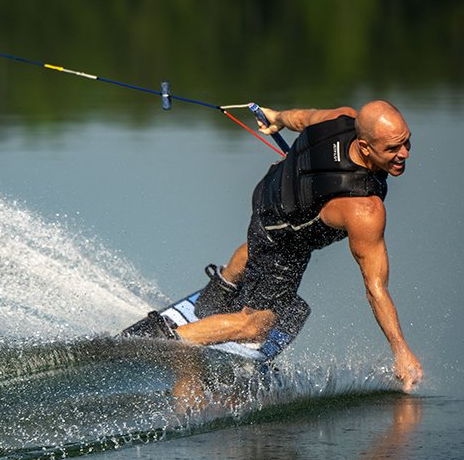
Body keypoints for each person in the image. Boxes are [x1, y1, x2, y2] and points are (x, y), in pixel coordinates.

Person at [127, 100, 423, 392]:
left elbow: (304, 116)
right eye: (392, 149)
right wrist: (400, 350)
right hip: (281, 237)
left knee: (255, 249)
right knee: (256, 326)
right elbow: (376, 287)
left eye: (406, 142)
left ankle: (220, 291)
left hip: (267, 192)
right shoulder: (365, 210)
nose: (404, 154)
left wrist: (276, 117)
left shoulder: (341, 118)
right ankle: (166, 341)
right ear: (365, 146)